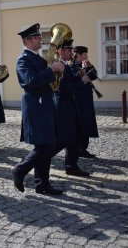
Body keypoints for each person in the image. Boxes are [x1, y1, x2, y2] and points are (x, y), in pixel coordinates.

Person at [12, 23, 65, 195]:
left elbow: (48, 80)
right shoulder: (23, 59)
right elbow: (30, 81)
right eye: (36, 37)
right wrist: (51, 70)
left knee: (47, 144)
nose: (40, 39)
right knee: (46, 146)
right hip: (36, 106)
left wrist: (57, 72)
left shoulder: (38, 58)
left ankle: (42, 184)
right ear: (27, 41)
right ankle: (20, 170)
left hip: (45, 105)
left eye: (39, 36)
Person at [49, 39, 90, 177]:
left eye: (71, 49)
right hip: (63, 106)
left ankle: (71, 166)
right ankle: (39, 158)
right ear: (60, 51)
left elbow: (73, 83)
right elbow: (64, 89)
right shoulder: (58, 66)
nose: (71, 52)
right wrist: (81, 82)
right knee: (62, 140)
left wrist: (81, 76)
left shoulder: (69, 65)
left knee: (75, 137)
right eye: (68, 49)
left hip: (71, 105)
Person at [72, 46, 99, 159]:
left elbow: (94, 76)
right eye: (85, 55)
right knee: (80, 125)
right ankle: (78, 149)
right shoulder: (72, 66)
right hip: (78, 100)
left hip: (86, 99)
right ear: (79, 55)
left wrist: (90, 66)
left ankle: (83, 148)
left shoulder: (84, 65)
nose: (87, 57)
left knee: (87, 123)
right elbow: (75, 81)